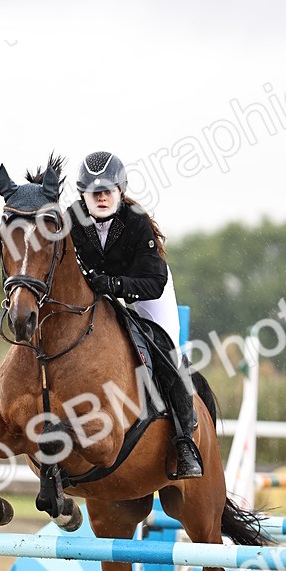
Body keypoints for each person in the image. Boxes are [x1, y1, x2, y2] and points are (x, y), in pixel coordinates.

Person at [66, 151, 203, 479]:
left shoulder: (136, 220)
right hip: (98, 294)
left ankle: (185, 442)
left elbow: (154, 283)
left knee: (168, 351)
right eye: (93, 193)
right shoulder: (71, 218)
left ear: (120, 191)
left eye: (107, 191)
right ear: (81, 195)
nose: (100, 197)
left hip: (145, 292)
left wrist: (114, 284)